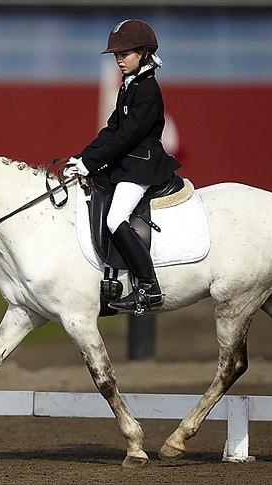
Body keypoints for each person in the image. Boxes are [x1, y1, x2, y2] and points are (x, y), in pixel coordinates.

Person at [65, 18, 182, 314]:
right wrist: (83, 157)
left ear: (143, 52)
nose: (119, 60)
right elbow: (112, 129)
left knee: (115, 218)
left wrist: (92, 163)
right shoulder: (129, 86)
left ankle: (148, 287)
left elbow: (128, 137)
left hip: (141, 166)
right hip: (126, 164)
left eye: (124, 54)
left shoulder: (148, 90)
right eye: (116, 55)